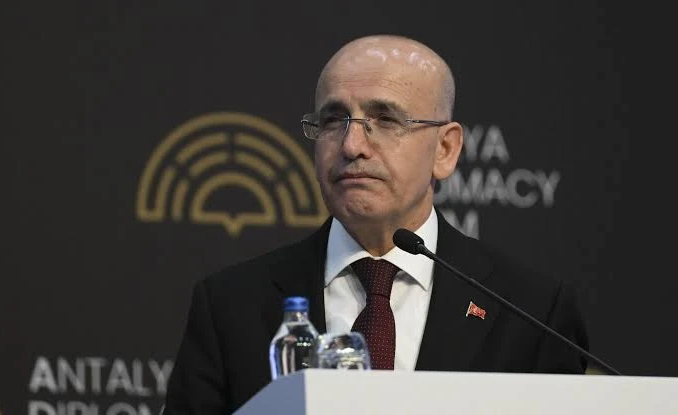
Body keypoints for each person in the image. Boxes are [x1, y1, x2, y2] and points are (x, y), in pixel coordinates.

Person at [164, 34, 588, 414]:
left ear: (445, 149)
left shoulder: (532, 312)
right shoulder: (230, 305)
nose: (352, 145)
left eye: (385, 120)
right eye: (334, 120)